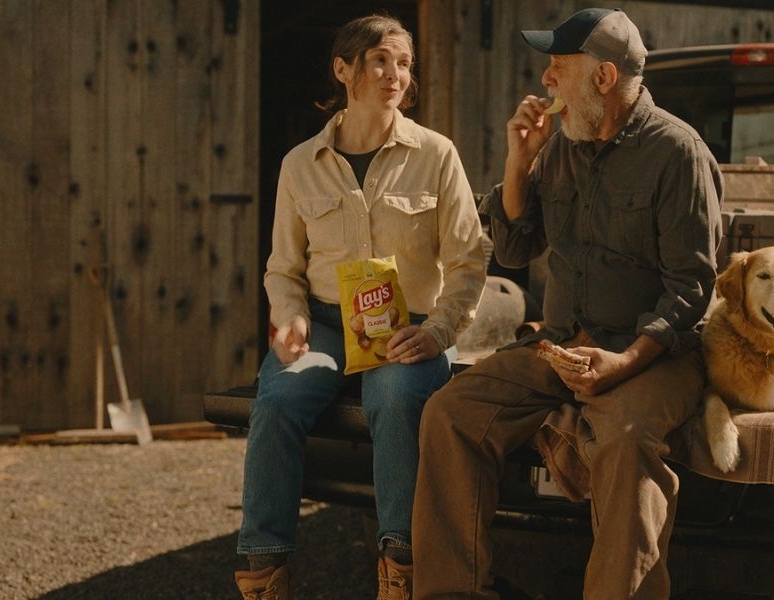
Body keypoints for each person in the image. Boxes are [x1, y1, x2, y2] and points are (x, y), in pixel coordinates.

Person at [412, 8, 723, 599]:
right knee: (450, 413)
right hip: (560, 344)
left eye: (559, 66)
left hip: (652, 354)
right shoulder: (562, 147)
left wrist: (624, 362)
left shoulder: (678, 152)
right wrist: (519, 161)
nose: (546, 79)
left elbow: (690, 288)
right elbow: (513, 248)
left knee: (626, 442)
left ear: (603, 77)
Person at [233, 13, 486, 600]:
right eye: (380, 60)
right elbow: (283, 269)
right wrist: (291, 319)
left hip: (410, 329)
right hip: (324, 324)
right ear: (343, 70)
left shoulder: (436, 154)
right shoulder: (300, 164)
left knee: (394, 402)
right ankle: (263, 571)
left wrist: (439, 331)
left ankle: (401, 568)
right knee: (277, 400)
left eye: (404, 63)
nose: (395, 74)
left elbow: (469, 261)